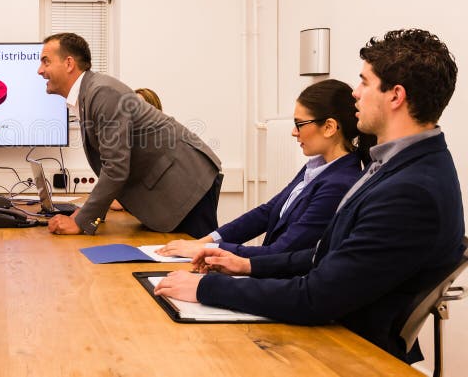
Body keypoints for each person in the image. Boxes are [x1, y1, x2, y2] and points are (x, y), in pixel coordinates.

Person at [154, 29, 465, 364]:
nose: (355, 94)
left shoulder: (410, 191)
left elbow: (317, 296)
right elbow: (325, 255)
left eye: (364, 82)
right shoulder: (397, 164)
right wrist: (247, 265)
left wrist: (205, 289)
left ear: (395, 96)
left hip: (348, 352)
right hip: (333, 330)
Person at [157, 79, 370, 258]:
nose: (294, 133)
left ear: (329, 127)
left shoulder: (339, 183)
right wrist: (206, 240)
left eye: (299, 124)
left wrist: (208, 249)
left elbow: (280, 251)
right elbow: (267, 212)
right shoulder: (316, 168)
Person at [38, 33, 223, 236]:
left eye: (46, 62)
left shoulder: (101, 92)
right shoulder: (89, 93)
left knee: (200, 260)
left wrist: (81, 222)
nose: (40, 70)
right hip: (176, 184)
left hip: (186, 183)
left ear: (69, 63)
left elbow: (115, 166)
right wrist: (88, 213)